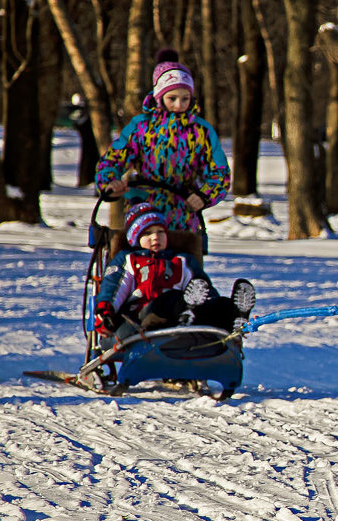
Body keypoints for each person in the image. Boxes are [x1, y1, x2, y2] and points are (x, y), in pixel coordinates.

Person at [95, 49, 230, 263]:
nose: (179, 105)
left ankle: (199, 294)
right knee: (132, 265)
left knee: (186, 270)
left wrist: (204, 196)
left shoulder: (201, 131)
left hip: (183, 215)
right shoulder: (141, 127)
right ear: (159, 98)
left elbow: (219, 173)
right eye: (172, 98)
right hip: (143, 213)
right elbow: (113, 159)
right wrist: (110, 182)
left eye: (185, 99)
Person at [94, 203, 256, 341]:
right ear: (134, 238)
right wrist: (106, 311)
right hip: (145, 315)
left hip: (184, 311)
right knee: (172, 298)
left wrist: (212, 304)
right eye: (147, 233)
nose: (155, 237)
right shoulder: (129, 259)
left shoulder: (182, 260)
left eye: (161, 231)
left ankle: (233, 316)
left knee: (217, 303)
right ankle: (188, 312)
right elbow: (115, 287)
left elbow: (202, 286)